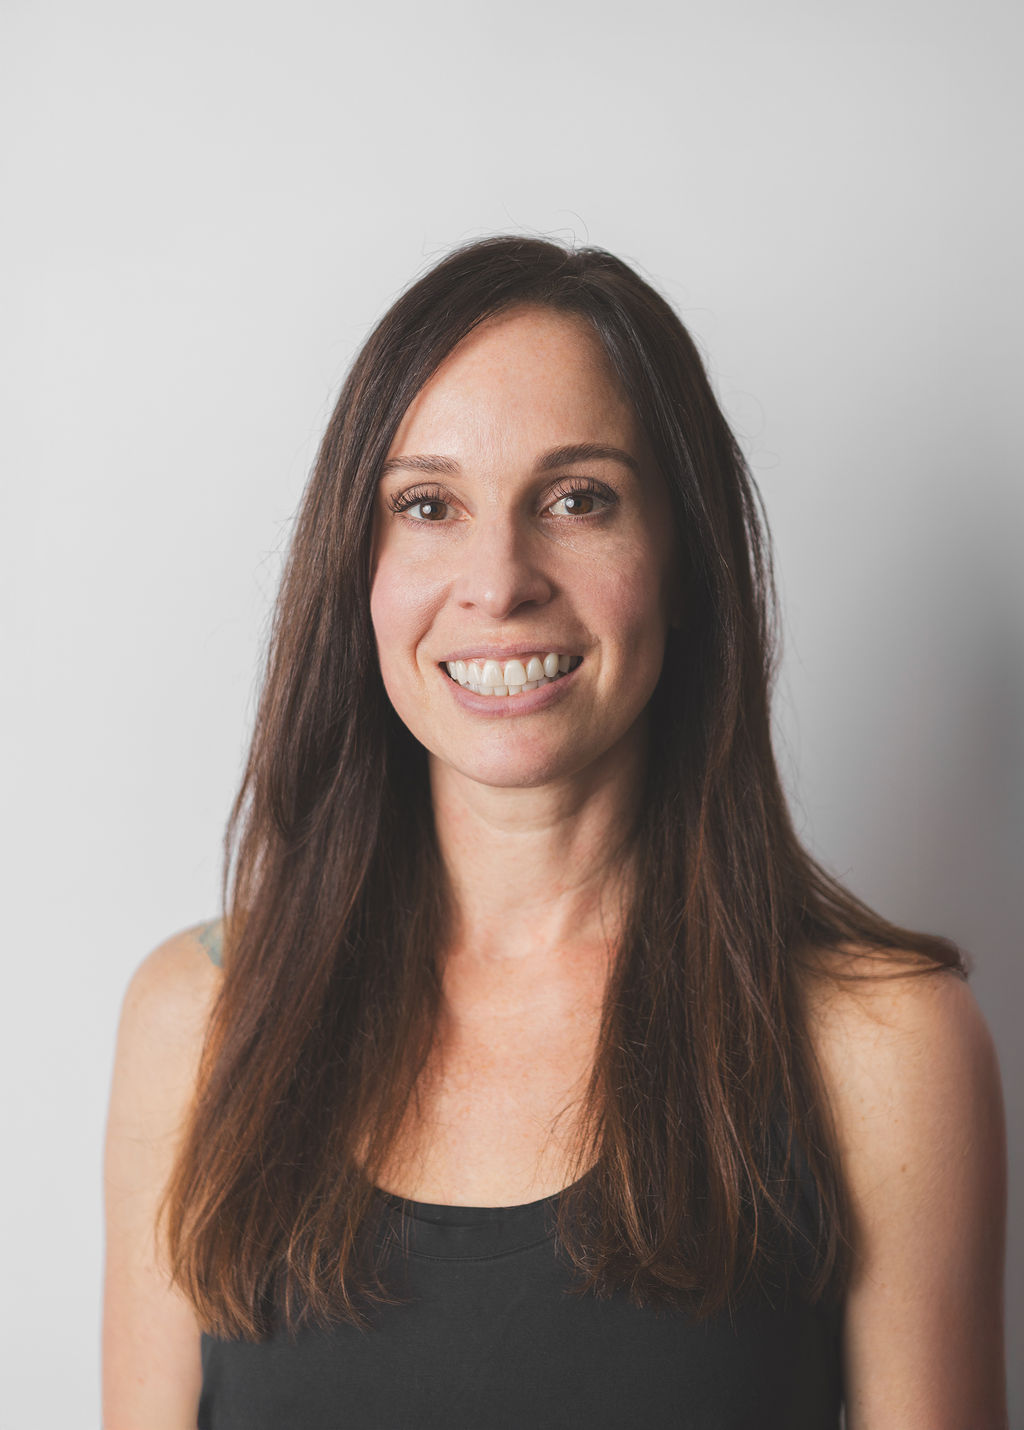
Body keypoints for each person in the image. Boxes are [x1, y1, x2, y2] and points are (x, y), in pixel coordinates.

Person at [102, 235, 1009, 1429]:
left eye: (577, 498)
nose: (498, 577)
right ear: (355, 569)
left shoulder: (881, 1041)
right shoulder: (200, 1021)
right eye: (427, 504)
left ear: (682, 558)